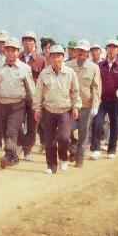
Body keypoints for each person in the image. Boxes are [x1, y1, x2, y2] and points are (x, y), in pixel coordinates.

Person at [0, 38, 35, 169]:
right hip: (1, 103)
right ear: (4, 51)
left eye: (13, 50)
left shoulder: (25, 68)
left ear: (18, 52)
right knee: (8, 128)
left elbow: (31, 88)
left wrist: (35, 105)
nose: (10, 53)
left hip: (18, 104)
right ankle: (14, 156)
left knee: (10, 130)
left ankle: (7, 155)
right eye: (8, 50)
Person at [33, 45, 80, 174]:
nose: (56, 59)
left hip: (64, 110)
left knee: (64, 137)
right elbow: (38, 93)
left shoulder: (70, 73)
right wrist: (37, 109)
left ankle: (63, 157)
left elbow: (75, 92)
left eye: (58, 56)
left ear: (63, 57)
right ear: (49, 58)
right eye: (53, 56)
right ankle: (51, 166)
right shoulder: (44, 73)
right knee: (50, 140)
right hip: (48, 110)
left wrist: (76, 107)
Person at [90, 40, 118, 159]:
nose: (111, 50)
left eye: (114, 48)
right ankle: (95, 149)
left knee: (115, 124)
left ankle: (111, 149)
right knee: (97, 122)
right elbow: (94, 81)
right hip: (101, 100)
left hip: (116, 100)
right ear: (106, 50)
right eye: (109, 48)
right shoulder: (100, 66)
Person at [66, 40, 101, 167]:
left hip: (86, 105)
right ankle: (73, 148)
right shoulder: (68, 66)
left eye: (84, 51)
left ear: (88, 53)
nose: (80, 53)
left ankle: (79, 159)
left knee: (83, 132)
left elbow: (96, 88)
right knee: (66, 131)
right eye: (79, 50)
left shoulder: (94, 68)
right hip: (70, 105)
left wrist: (95, 105)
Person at [18, 31, 46, 159]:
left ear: (35, 43)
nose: (28, 42)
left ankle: (28, 150)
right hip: (19, 96)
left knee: (33, 124)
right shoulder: (17, 58)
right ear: (22, 42)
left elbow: (45, 79)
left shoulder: (41, 60)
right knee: (17, 122)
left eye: (31, 40)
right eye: (26, 40)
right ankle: (19, 144)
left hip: (34, 97)